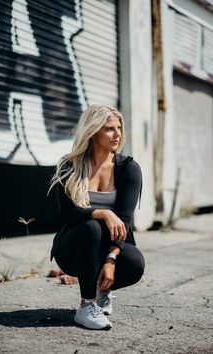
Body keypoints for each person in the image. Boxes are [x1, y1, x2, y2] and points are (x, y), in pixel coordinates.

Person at [48, 104, 145, 330]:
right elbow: (70, 215)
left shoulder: (128, 169)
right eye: (109, 128)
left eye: (119, 127)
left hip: (111, 246)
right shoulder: (69, 166)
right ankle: (86, 305)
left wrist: (111, 259)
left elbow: (125, 219)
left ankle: (103, 292)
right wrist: (102, 212)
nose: (117, 133)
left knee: (135, 263)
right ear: (92, 132)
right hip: (74, 247)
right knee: (92, 226)